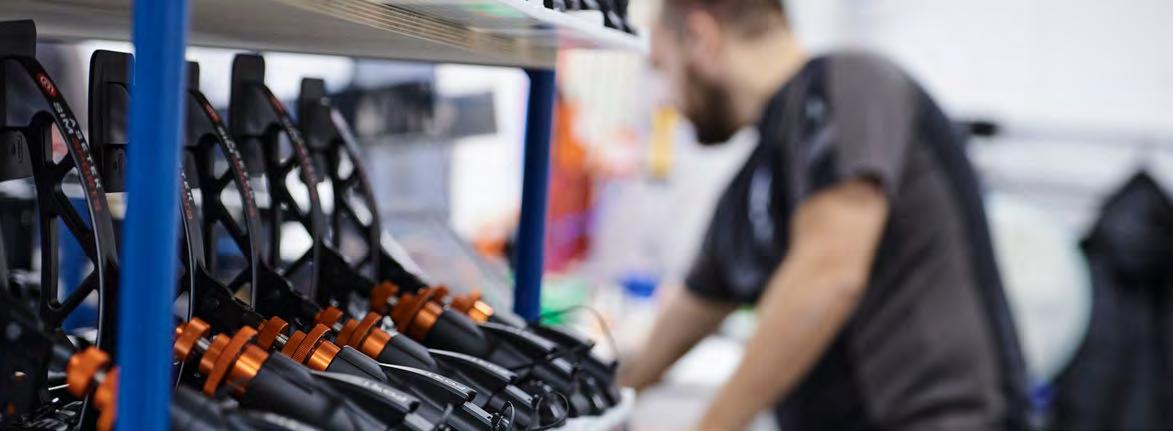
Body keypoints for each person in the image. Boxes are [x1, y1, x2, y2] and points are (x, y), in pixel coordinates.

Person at [616, 0, 1029, 429]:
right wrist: (606, 395)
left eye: (661, 67)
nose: (666, 98)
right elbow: (693, 308)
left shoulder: (851, 83)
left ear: (702, 39)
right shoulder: (756, 181)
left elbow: (828, 273)